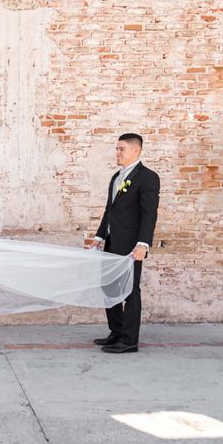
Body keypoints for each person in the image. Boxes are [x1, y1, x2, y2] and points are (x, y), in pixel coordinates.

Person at [91, 133, 160, 354]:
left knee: (130, 291)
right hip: (111, 242)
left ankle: (130, 340)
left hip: (131, 245)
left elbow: (149, 214)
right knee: (108, 286)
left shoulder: (148, 177)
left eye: (121, 149)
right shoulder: (116, 177)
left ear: (135, 151)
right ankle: (117, 331)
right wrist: (100, 237)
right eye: (117, 149)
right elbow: (109, 210)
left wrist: (143, 244)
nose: (117, 153)